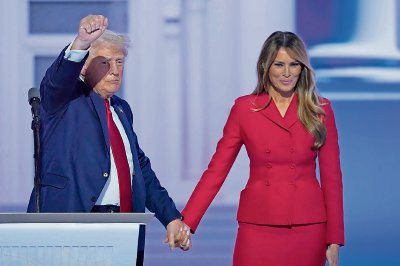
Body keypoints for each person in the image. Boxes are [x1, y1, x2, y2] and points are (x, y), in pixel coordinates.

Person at [27, 15, 191, 265]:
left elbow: (140, 170)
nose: (115, 70)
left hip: (124, 227)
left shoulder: (121, 109)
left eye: (119, 61)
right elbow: (56, 81)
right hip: (74, 225)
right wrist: (81, 43)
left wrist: (171, 217)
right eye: (104, 62)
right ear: (83, 66)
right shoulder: (64, 100)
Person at [181, 31, 344, 266]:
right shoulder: (245, 109)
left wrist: (334, 239)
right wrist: (188, 221)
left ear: (303, 68)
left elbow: (332, 179)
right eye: (279, 65)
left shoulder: (320, 109)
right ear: (265, 66)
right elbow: (216, 171)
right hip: (257, 225)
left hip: (308, 227)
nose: (287, 73)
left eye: (294, 65)